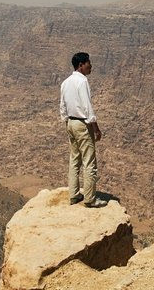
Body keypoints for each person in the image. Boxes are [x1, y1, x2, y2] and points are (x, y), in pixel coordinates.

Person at [60, 51, 107, 208]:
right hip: (82, 124)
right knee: (89, 162)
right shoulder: (82, 82)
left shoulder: (65, 82)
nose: (90, 66)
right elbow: (87, 108)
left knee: (74, 160)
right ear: (81, 65)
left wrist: (67, 122)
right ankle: (90, 199)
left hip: (70, 123)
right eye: (88, 63)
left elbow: (63, 106)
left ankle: (74, 195)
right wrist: (96, 129)